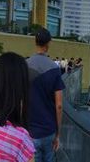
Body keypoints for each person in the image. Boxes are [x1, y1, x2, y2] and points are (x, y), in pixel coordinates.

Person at [26, 28, 65, 162]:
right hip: (49, 130)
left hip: (29, 130)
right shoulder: (54, 68)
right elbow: (59, 105)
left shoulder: (25, 65)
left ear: (35, 42)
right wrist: (58, 134)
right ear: (48, 43)